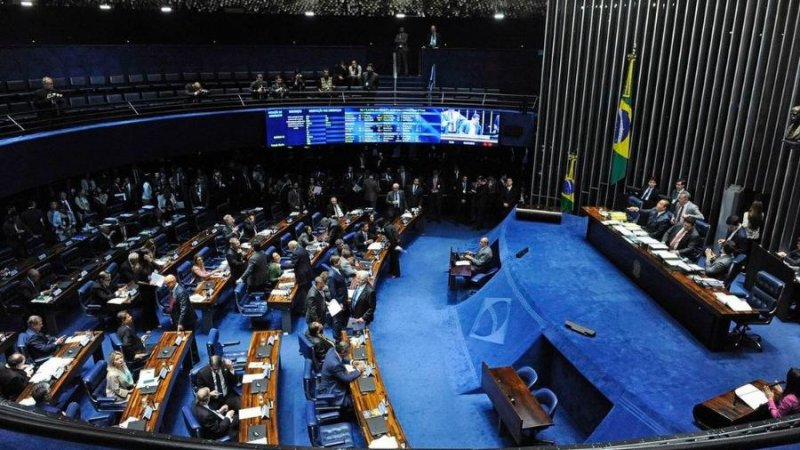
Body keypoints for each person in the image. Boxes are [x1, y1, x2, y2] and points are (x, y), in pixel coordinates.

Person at [318, 341, 364, 407]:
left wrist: (352, 362)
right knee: (358, 400)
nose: (349, 353)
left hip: (331, 383)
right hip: (332, 392)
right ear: (343, 352)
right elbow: (346, 378)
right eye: (348, 352)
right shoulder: (335, 365)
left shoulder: (332, 350)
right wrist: (358, 370)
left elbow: (341, 358)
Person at [289, 240, 313, 314]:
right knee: (307, 290)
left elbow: (292, 265)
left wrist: (281, 266)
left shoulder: (296, 253)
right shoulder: (302, 249)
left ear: (292, 247)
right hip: (308, 272)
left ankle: (303, 309)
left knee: (302, 293)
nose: (289, 249)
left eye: (289, 248)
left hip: (302, 276)